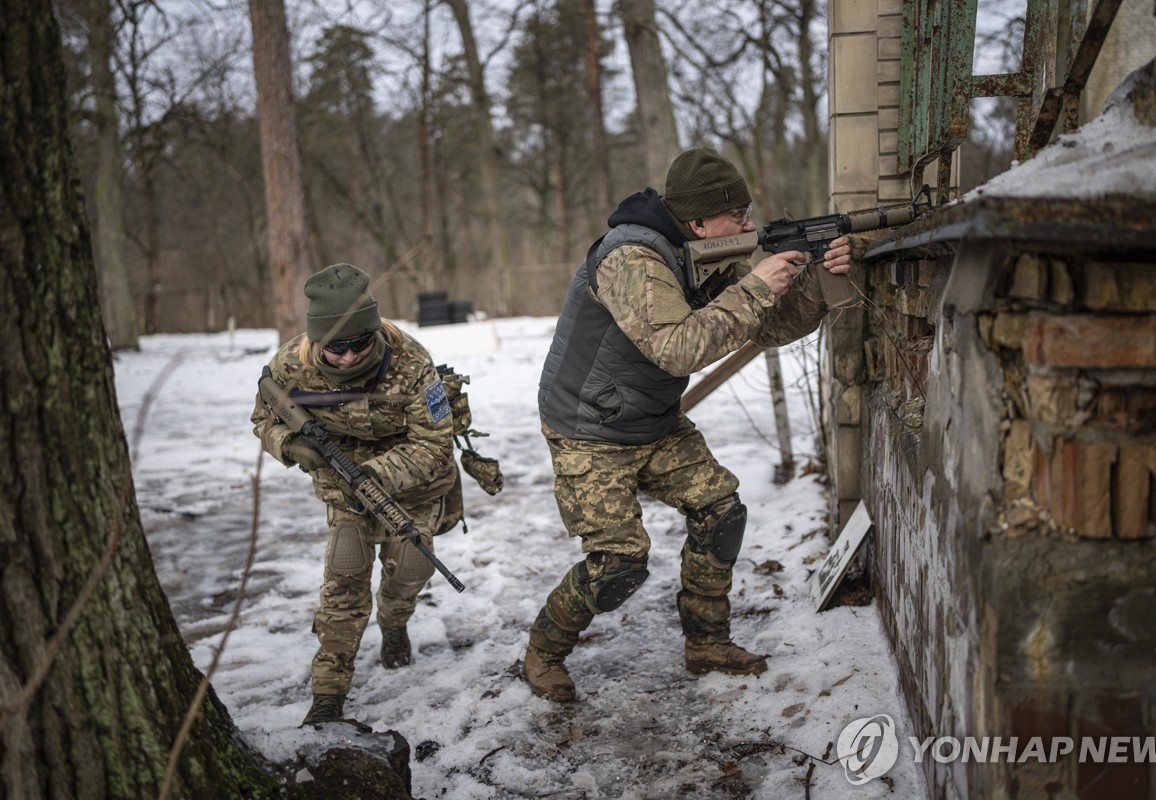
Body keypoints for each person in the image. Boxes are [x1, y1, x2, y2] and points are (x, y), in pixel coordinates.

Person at [523, 147, 853, 702]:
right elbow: (677, 349)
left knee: (721, 512)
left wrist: (817, 279)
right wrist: (755, 287)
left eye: (749, 212)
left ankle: (707, 643)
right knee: (619, 565)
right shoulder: (631, 258)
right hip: (590, 430)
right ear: (699, 221)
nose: (749, 224)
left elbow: (764, 327)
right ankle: (543, 650)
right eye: (737, 215)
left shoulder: (706, 252)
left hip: (653, 419)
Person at [252, 263, 462, 726]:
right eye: (335, 348)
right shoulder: (290, 364)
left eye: (358, 345)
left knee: (410, 566)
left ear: (375, 333)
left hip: (415, 486)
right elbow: (262, 419)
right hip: (341, 488)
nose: (347, 358)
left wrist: (373, 475)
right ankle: (329, 692)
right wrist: (291, 446)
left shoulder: (412, 362)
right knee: (345, 578)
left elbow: (433, 443)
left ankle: (394, 620)